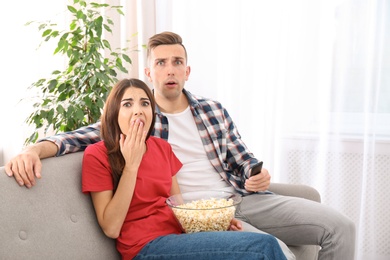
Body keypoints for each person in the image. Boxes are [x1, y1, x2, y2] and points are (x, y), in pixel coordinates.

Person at [5, 31, 355, 260]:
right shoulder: (134, 131)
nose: (170, 70)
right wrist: (34, 150)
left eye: (176, 62)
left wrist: (256, 174)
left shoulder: (202, 117)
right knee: (273, 251)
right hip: (166, 233)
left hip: (232, 202)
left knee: (340, 227)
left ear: (187, 70)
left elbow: (235, 163)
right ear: (150, 71)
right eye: (161, 63)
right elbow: (77, 139)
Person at [82, 77, 287, 259]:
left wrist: (214, 224)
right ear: (114, 113)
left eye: (145, 103)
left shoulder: (161, 147)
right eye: (127, 104)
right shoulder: (97, 155)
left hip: (179, 239)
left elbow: (178, 207)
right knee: (263, 247)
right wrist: (131, 166)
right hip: (144, 248)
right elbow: (111, 227)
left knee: (258, 245)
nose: (138, 110)